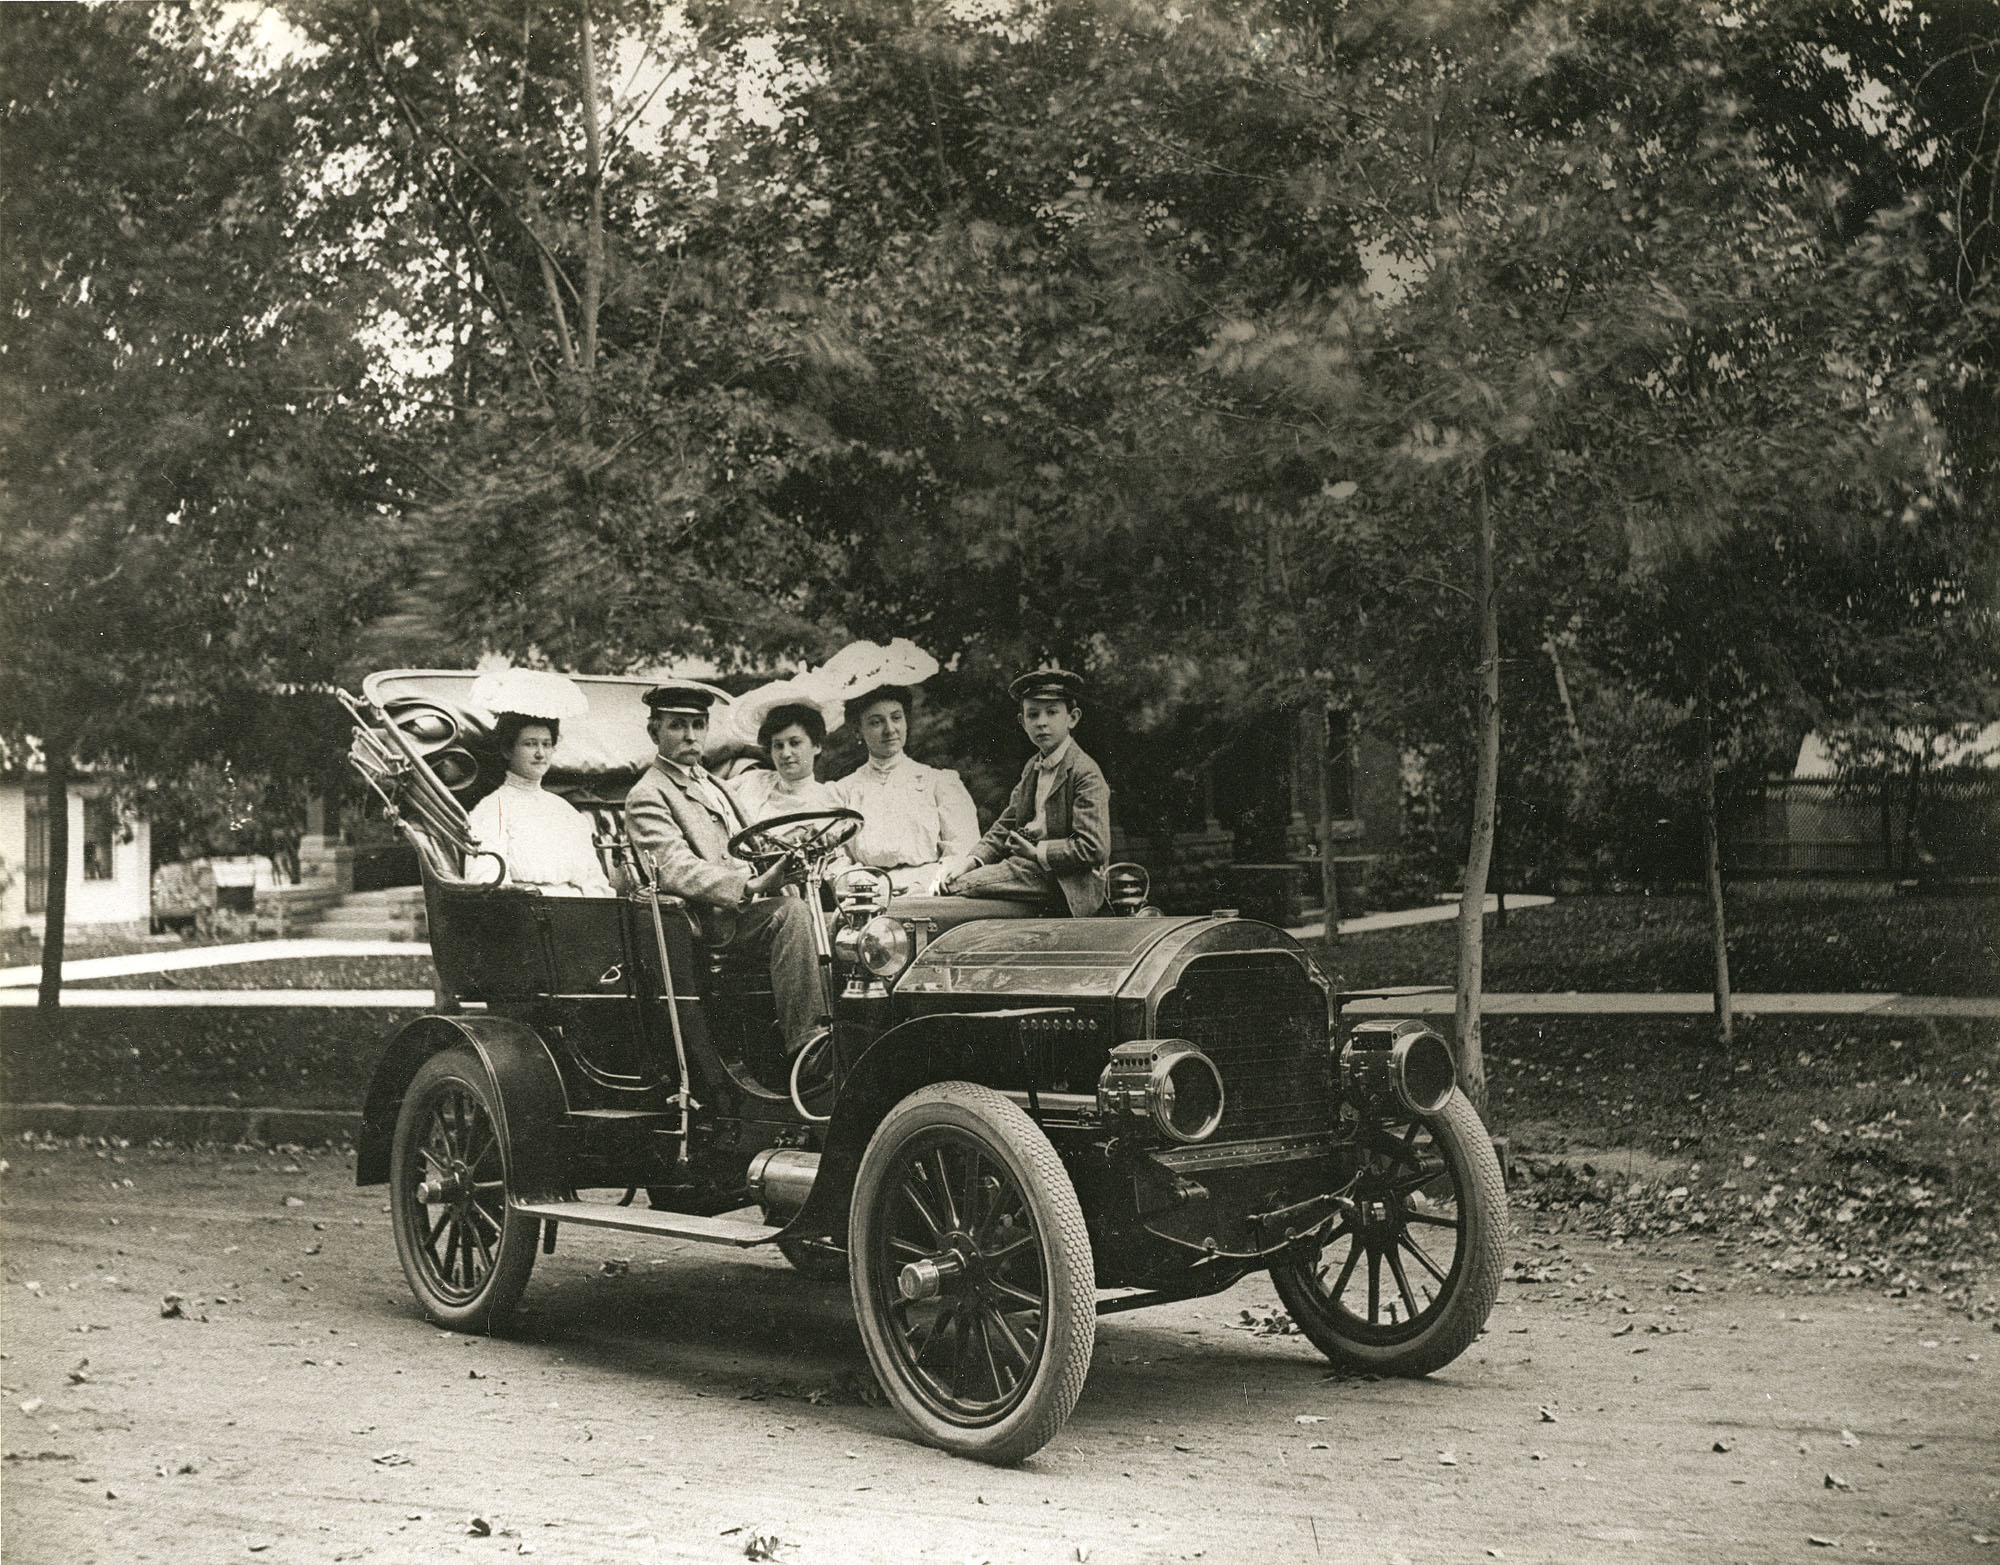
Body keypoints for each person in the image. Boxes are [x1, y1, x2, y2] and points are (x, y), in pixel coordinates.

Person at [623, 683, 827, 1057]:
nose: (690, 736)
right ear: (654, 732)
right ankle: (809, 1049)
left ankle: (847, 1035)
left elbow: (750, 844)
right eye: (677, 725)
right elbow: (674, 868)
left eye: (699, 725)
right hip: (711, 920)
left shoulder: (714, 783)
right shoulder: (648, 794)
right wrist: (750, 884)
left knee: (838, 923)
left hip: (746, 908)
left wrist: (791, 856)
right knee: (793, 915)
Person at [938, 667, 1109, 915]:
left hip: (1066, 881)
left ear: (1072, 718)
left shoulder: (1084, 772)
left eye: (1051, 713)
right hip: (1026, 870)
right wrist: (970, 861)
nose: (1042, 723)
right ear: (1022, 722)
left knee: (957, 886)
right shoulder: (1033, 767)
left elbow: (1091, 846)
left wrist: (1037, 851)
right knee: (957, 878)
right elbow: (1006, 823)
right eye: (1033, 715)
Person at [464, 669, 613, 898]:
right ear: (507, 749)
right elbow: (488, 883)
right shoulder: (493, 810)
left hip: (580, 918)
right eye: (530, 744)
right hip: (525, 919)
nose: (540, 753)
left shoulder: (565, 812)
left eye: (547, 744)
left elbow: (594, 881)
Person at [831, 684, 980, 895]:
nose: (890, 729)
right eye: (876, 722)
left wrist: (931, 882)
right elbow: (836, 858)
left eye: (896, 717)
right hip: (866, 897)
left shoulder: (939, 782)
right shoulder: (844, 792)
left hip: (931, 895)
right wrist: (862, 885)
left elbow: (963, 846)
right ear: (858, 731)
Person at [729, 681, 845, 824]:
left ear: (816, 746)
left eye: (795, 743)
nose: (785, 753)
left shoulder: (830, 800)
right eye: (778, 745)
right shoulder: (751, 782)